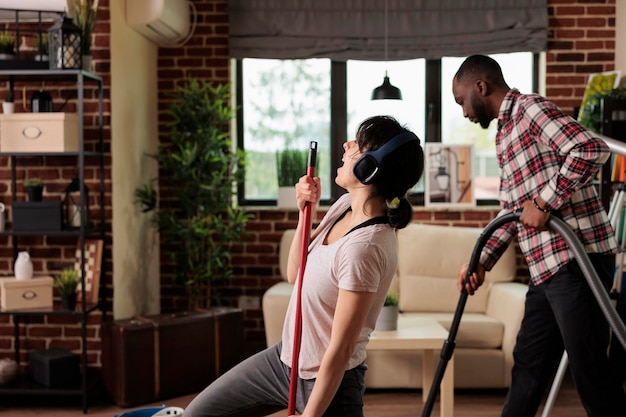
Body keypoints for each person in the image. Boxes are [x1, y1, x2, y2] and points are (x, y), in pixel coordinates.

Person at [184, 115, 424, 417]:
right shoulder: (343, 207)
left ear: (369, 168)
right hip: (285, 361)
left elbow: (340, 349)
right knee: (197, 414)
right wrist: (303, 214)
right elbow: (295, 273)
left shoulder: (365, 247)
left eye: (357, 145)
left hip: (328, 383)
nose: (346, 145)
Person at [452, 54, 626, 417]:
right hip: (545, 270)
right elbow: (513, 212)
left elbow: (590, 148)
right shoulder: (504, 135)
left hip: (578, 262)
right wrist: (480, 261)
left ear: (480, 87)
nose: (463, 112)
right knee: (528, 368)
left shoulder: (529, 109)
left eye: (461, 101)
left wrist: (546, 201)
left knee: (591, 374)